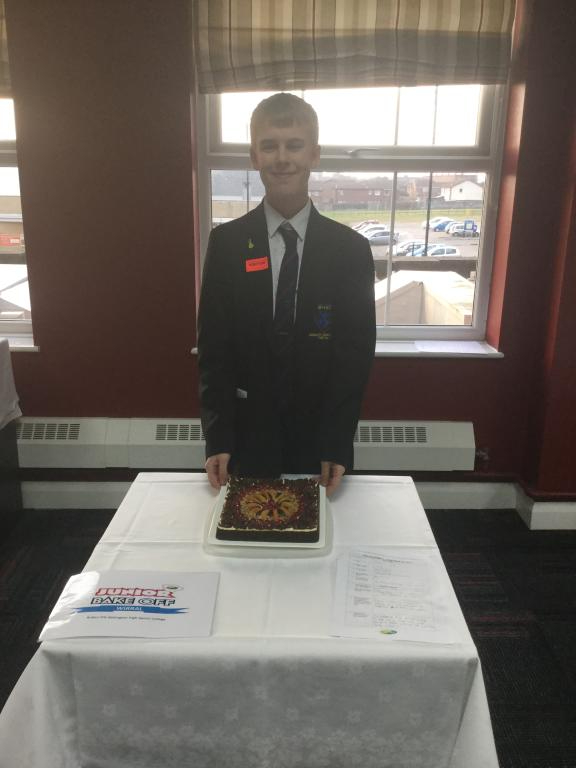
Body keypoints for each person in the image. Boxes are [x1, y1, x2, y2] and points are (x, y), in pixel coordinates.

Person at [197, 93, 375, 496]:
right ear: (253, 156)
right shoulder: (226, 244)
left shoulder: (350, 249)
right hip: (246, 436)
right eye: (269, 145)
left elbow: (354, 356)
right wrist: (218, 437)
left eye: (294, 145)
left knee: (322, 541)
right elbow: (214, 351)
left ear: (314, 153)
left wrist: (337, 441)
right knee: (246, 540)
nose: (282, 158)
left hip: (320, 439)